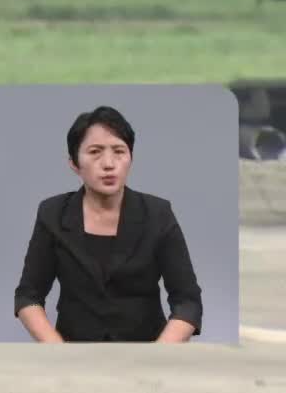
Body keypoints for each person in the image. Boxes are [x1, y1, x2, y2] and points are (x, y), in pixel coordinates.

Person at [12, 105, 203, 343]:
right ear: (74, 162)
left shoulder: (158, 214)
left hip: (146, 351)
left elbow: (188, 301)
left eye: (119, 151)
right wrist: (58, 350)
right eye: (95, 152)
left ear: (131, 157)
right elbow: (28, 296)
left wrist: (158, 353)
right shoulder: (52, 214)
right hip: (74, 351)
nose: (109, 163)